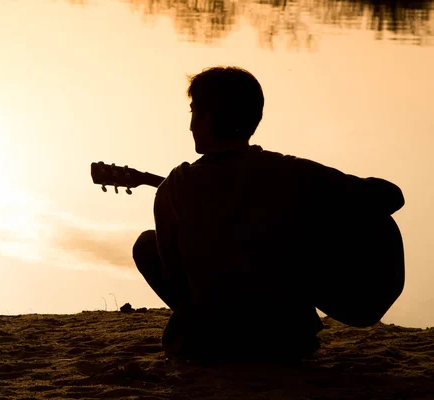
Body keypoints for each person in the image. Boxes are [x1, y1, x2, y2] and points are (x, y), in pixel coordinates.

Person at [132, 66, 405, 362]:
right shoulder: (291, 173)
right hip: (287, 343)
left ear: (209, 118)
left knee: (147, 245)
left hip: (206, 346)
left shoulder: (173, 187)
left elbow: (176, 277)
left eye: (194, 113)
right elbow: (391, 196)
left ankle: (211, 331)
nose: (190, 126)